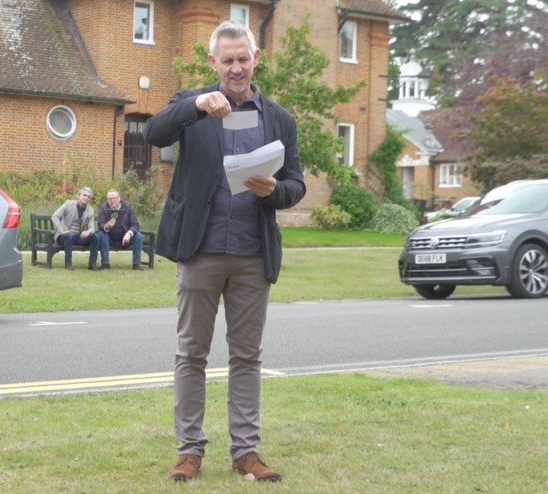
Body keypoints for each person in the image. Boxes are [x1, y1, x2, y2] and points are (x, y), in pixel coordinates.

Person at [143, 21, 306, 482]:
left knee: (247, 356)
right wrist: (194, 104)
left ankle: (246, 451)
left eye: (244, 58)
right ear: (213, 63)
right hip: (201, 249)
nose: (236, 67)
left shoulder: (279, 118)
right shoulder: (189, 105)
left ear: (257, 59)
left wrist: (275, 189)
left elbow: (296, 185)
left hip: (253, 254)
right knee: (191, 353)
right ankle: (190, 450)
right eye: (227, 59)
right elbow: (153, 132)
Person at [51, 186, 100, 271]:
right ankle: (68, 263)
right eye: (84, 195)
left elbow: (92, 227)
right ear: (79, 195)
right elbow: (54, 216)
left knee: (95, 237)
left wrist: (88, 231)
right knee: (69, 235)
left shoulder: (90, 210)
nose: (86, 198)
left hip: (78, 236)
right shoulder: (68, 204)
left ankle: (92, 264)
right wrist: (61, 231)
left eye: (88, 197)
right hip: (64, 236)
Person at [96, 189, 144, 271]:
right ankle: (105, 263)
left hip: (125, 238)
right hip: (110, 238)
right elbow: (100, 224)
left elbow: (135, 224)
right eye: (109, 199)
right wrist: (106, 226)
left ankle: (136, 264)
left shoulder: (128, 206)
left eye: (114, 198)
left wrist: (129, 233)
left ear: (119, 198)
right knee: (101, 234)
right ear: (107, 199)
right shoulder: (103, 208)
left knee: (138, 236)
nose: (112, 200)